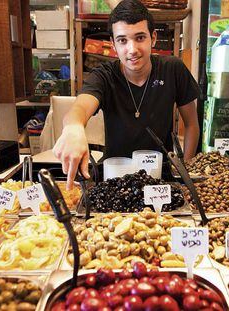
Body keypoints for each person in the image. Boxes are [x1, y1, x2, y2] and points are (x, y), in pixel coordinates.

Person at [53, 0, 200, 189]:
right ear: (113, 44)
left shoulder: (173, 69)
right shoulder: (104, 75)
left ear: (153, 38)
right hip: (114, 178)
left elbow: (191, 124)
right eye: (122, 40)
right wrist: (73, 127)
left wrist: (185, 170)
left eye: (140, 38)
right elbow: (80, 107)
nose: (132, 50)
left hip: (160, 178)